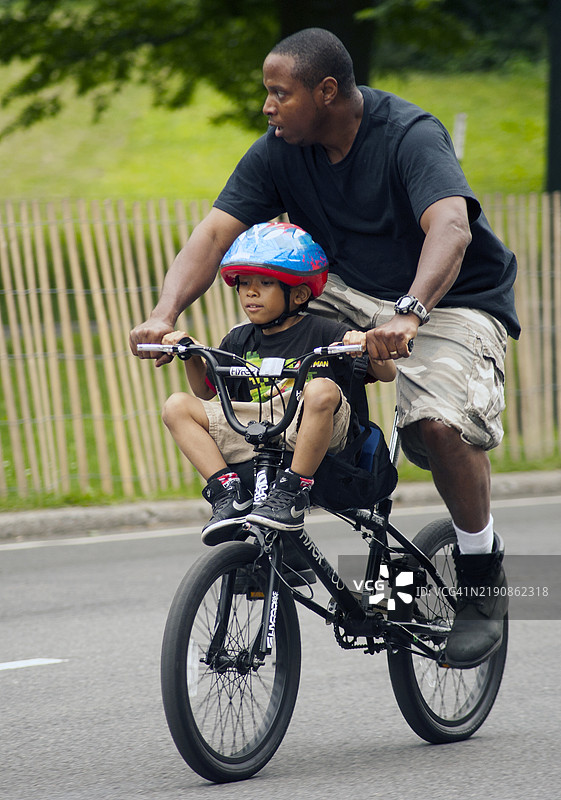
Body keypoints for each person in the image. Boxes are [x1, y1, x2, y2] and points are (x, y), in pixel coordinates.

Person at [130, 28, 520, 668]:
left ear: (327, 90)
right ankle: (281, 500)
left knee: (437, 428)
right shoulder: (279, 151)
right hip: (346, 288)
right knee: (265, 365)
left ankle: (480, 571)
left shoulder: (409, 136)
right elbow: (214, 234)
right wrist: (164, 314)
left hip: (446, 297)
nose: (268, 105)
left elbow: (449, 226)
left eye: (280, 93)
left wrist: (410, 312)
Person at [160, 221, 395, 545]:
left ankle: (293, 490)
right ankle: (227, 492)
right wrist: (192, 354)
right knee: (177, 405)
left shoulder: (327, 332)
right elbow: (205, 392)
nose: (250, 292)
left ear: (298, 293)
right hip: (259, 429)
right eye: (244, 283)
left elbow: (387, 374)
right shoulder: (239, 338)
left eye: (265, 283)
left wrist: (367, 344)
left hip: (320, 430)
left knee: (320, 388)